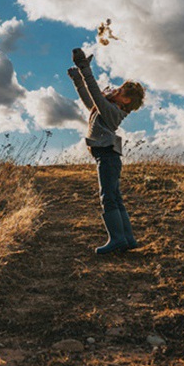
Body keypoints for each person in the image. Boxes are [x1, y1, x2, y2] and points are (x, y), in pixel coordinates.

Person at [68, 48, 145, 254]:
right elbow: (89, 100)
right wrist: (77, 80)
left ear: (126, 100)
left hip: (107, 156)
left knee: (108, 197)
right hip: (107, 155)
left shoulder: (112, 111)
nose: (114, 90)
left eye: (119, 91)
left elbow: (95, 93)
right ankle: (127, 239)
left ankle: (117, 239)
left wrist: (85, 69)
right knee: (115, 197)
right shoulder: (107, 109)